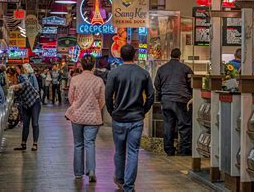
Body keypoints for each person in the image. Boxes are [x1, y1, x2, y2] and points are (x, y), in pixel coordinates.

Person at [105, 45, 154, 191]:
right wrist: (143, 111)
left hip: (119, 118)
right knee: (133, 152)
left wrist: (112, 111)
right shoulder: (144, 73)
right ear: (134, 56)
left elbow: (108, 95)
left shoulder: (114, 73)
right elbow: (151, 96)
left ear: (120, 56)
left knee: (119, 151)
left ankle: (120, 179)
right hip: (136, 119)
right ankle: (129, 186)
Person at [65, 55, 105, 182]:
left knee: (78, 144)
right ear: (93, 66)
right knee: (90, 143)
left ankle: (78, 173)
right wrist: (94, 108)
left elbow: (71, 98)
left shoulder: (75, 79)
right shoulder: (98, 81)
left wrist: (77, 106)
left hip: (77, 116)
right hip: (93, 117)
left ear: (81, 65)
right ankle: (91, 170)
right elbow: (102, 101)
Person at [154, 48, 194, 156]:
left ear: (170, 56)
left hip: (166, 101)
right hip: (181, 100)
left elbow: (157, 84)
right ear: (180, 56)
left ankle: (169, 150)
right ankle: (185, 150)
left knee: (168, 126)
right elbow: (193, 85)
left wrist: (160, 97)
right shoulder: (186, 69)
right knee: (184, 126)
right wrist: (191, 96)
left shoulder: (161, 69)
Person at [13, 64, 41, 151]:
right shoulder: (17, 78)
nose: (16, 71)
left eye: (17, 69)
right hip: (25, 103)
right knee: (25, 124)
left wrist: (17, 86)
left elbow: (27, 84)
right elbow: (17, 95)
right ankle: (23, 144)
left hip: (34, 101)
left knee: (35, 123)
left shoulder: (23, 76)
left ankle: (35, 144)